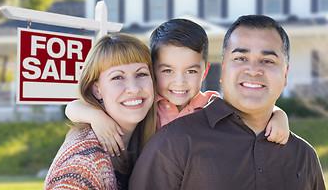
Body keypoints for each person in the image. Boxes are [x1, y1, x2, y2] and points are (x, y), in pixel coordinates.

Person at [128, 15, 326, 190]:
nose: (253, 70)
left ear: (285, 75)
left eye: (267, 61)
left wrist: (279, 113)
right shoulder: (173, 141)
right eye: (240, 58)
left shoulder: (304, 156)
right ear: (222, 70)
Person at [65, 18, 290, 157]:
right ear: (152, 71)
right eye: (167, 71)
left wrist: (279, 115)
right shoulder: (145, 105)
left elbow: (249, 112)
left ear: (205, 71)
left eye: (191, 71)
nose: (179, 82)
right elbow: (73, 107)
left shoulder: (212, 105)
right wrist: (97, 118)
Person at [44, 33, 157, 190]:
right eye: (117, 77)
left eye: (141, 74)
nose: (134, 88)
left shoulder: (152, 137)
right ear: (97, 90)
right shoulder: (82, 164)